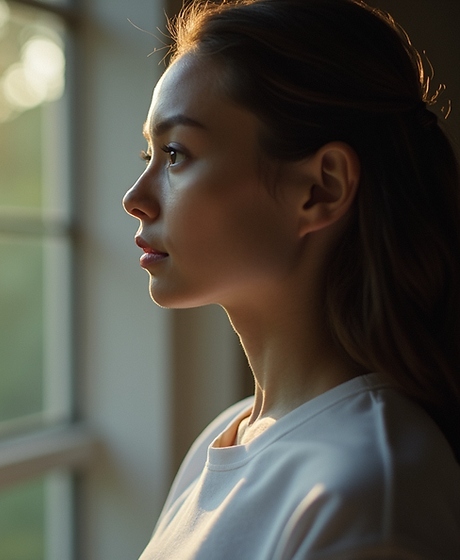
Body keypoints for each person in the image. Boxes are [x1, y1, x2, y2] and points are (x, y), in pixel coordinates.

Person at [123, 0, 460, 558]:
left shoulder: (368, 496)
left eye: (176, 153)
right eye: (148, 153)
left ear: (321, 189)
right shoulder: (227, 434)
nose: (135, 198)